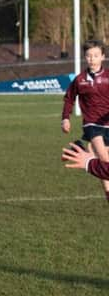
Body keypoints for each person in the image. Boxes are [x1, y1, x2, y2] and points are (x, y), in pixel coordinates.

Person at [61, 40, 109, 202]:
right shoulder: (80, 79)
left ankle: (79, 146)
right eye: (88, 56)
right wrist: (65, 119)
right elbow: (69, 98)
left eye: (95, 55)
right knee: (104, 158)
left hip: (107, 123)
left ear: (103, 57)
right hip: (91, 123)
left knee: (105, 160)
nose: (92, 59)